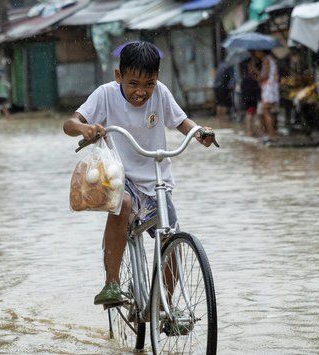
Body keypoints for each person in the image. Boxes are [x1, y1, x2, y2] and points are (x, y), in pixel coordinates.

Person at [63, 41, 216, 305]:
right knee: (122, 205)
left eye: (149, 84)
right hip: (120, 176)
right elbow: (70, 123)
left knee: (170, 237)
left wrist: (199, 132)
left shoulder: (161, 93)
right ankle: (111, 284)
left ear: (157, 79)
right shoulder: (105, 95)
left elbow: (180, 121)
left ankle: (166, 306)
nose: (141, 92)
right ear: (118, 76)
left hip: (157, 179)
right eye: (133, 83)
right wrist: (85, 129)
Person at [251, 50, 279, 140]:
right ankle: (271, 132)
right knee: (269, 111)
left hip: (269, 89)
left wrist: (255, 72)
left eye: (257, 51)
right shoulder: (270, 59)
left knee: (265, 110)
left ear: (262, 51)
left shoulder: (266, 60)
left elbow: (264, 76)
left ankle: (271, 134)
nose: (256, 53)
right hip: (271, 88)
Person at [241, 59, 261, 136]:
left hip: (249, 97)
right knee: (250, 114)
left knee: (251, 114)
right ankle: (250, 132)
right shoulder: (250, 78)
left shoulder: (246, 77)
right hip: (250, 97)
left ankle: (251, 131)